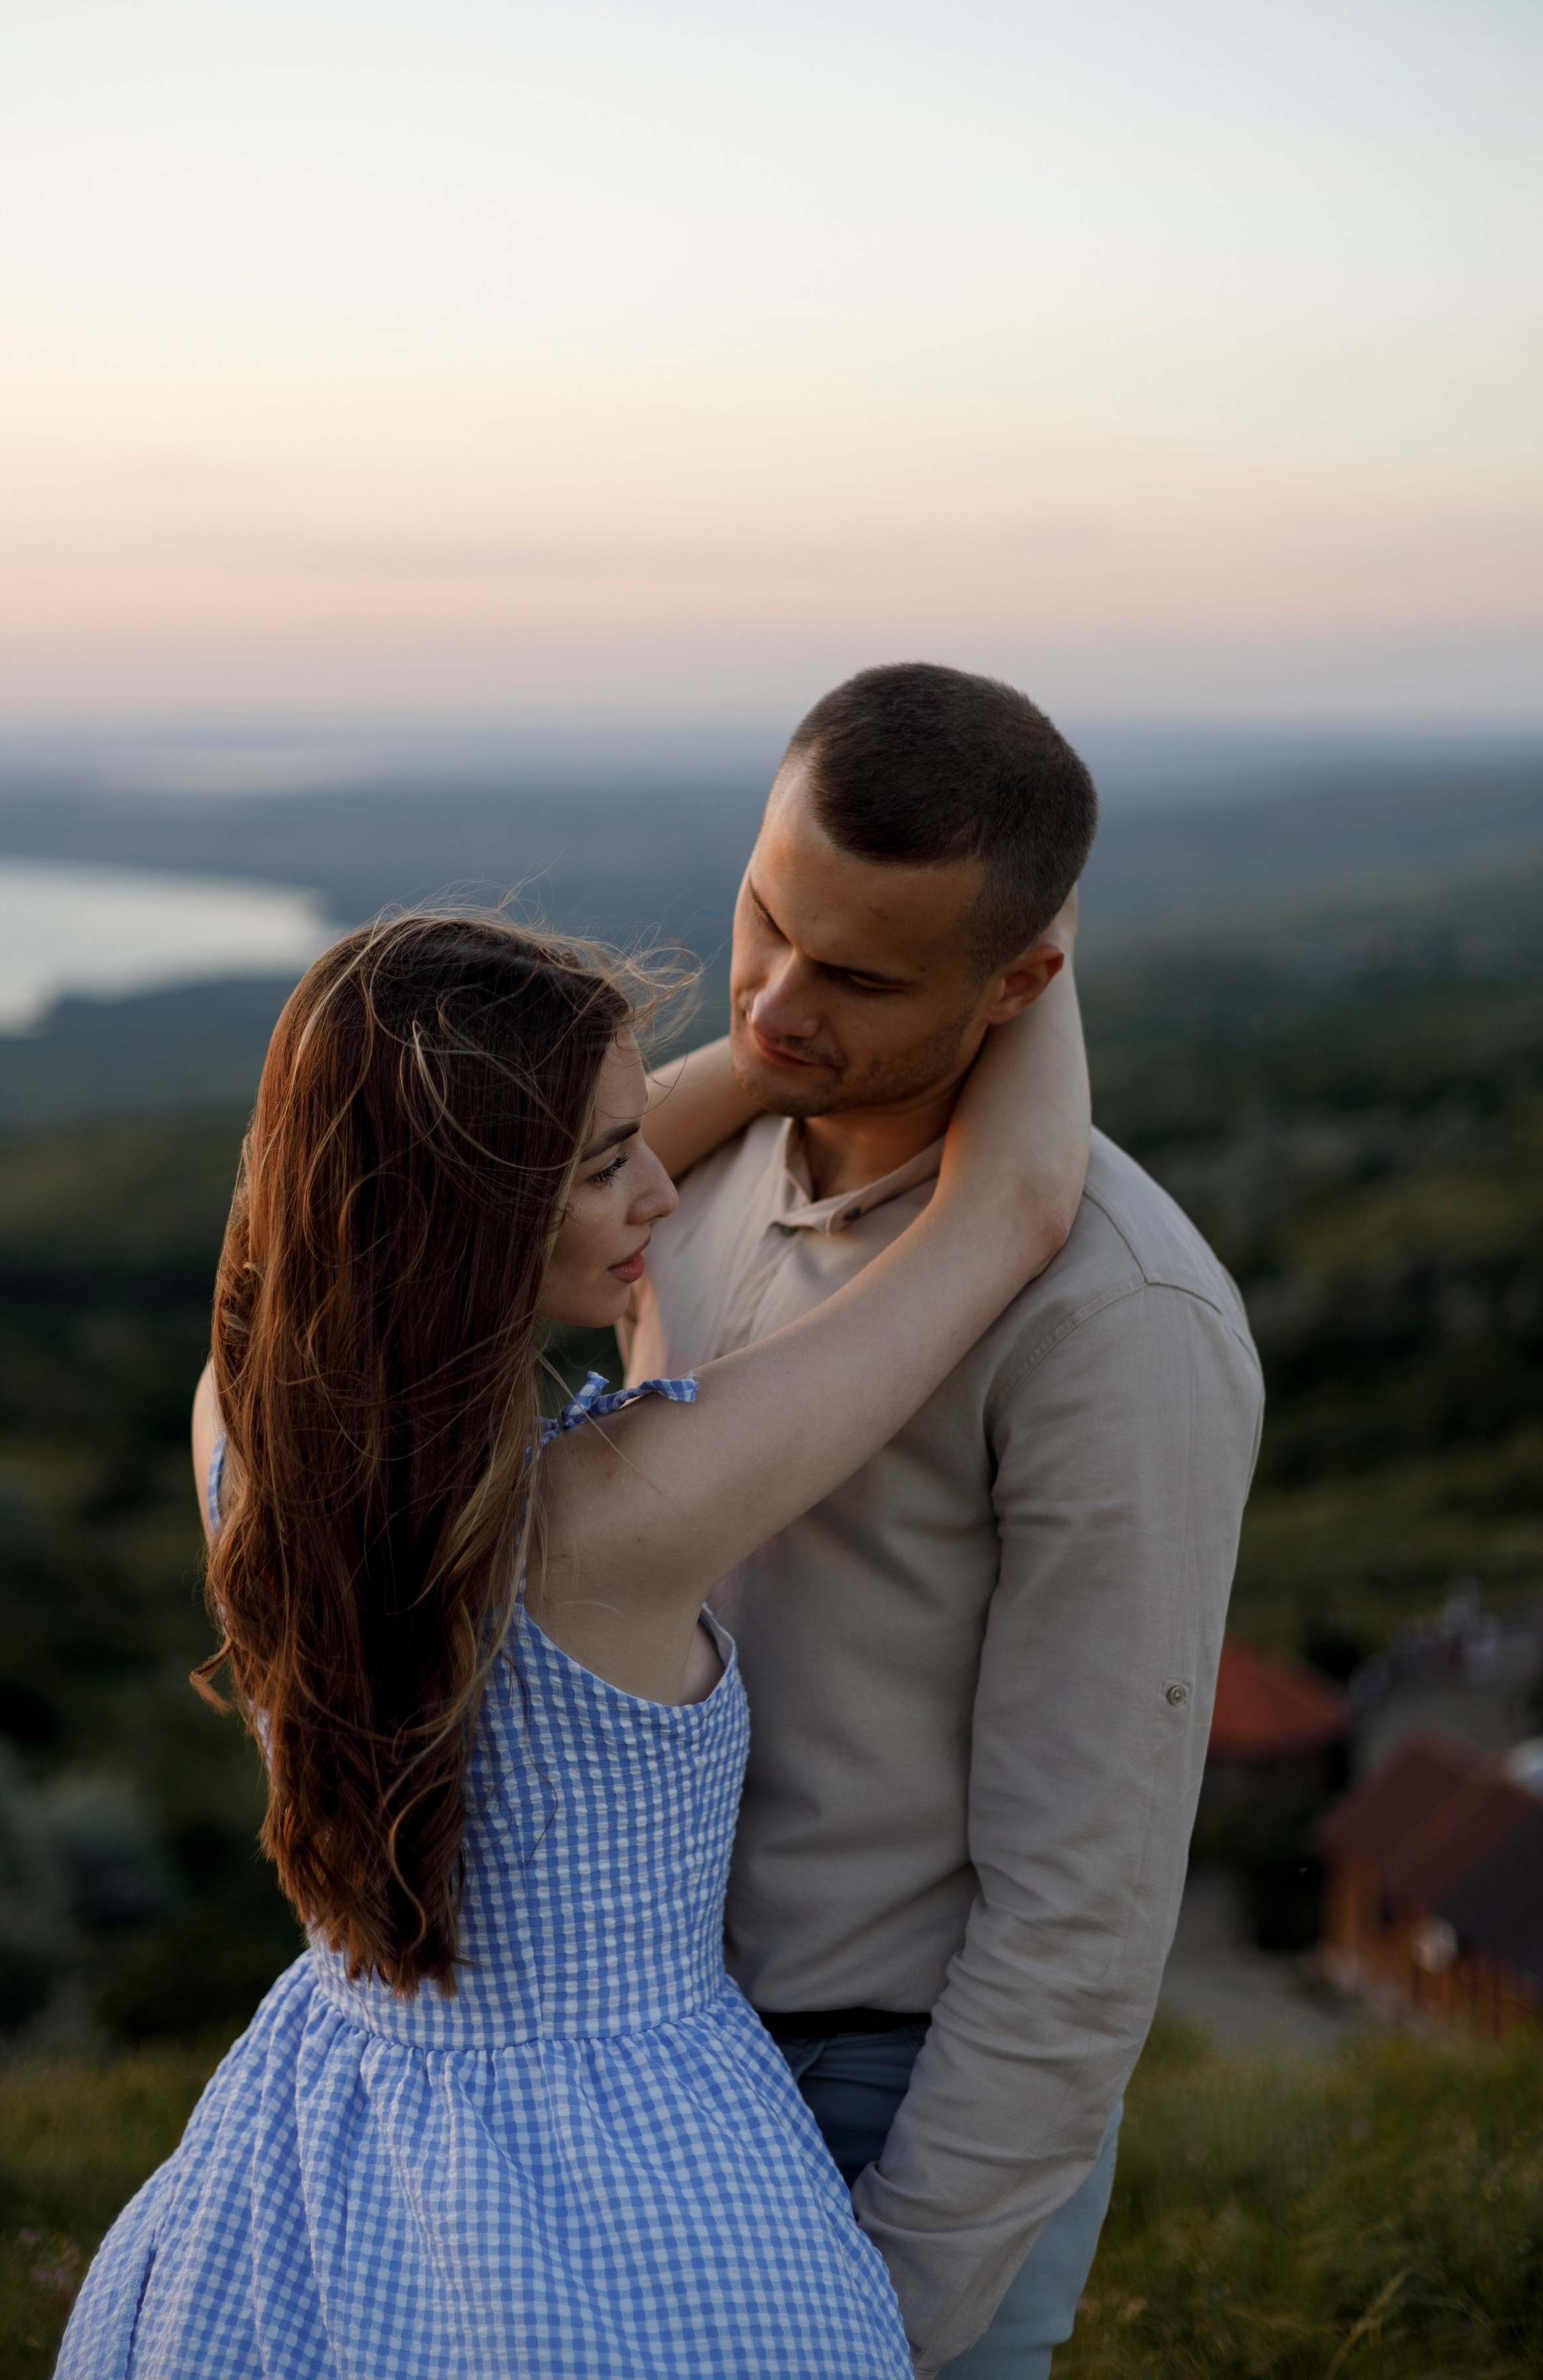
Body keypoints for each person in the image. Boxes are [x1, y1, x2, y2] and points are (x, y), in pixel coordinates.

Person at [57, 899, 1088, 2379]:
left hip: (318, 2153)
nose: (662, 1193)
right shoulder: (601, 1529)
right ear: (471, 1214)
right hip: (635, 2177)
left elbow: (367, 1206)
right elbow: (1016, 1208)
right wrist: (1023, 919)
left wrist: (735, 1059)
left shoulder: (241, 1446)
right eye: (608, 1164)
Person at [624, 662, 1264, 2379]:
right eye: (766, 918)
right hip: (641, 2049)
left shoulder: (1118, 1322)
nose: (769, 1006)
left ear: (1024, 984)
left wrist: (889, 2311)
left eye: (854, 975)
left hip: (891, 2087)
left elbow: (1084, 1901)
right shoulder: (677, 1186)